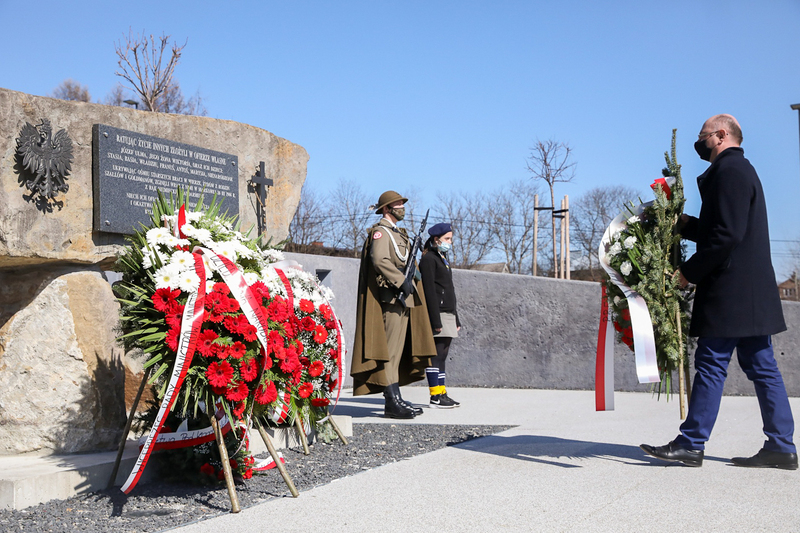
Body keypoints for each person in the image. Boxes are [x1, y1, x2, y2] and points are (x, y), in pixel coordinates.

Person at [640, 114, 797, 470]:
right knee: (762, 366)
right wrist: (682, 224)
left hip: (730, 291)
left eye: (703, 137)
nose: (700, 143)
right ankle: (781, 446)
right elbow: (720, 229)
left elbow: (726, 236)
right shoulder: (739, 171)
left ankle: (691, 443)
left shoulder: (729, 172)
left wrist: (687, 274)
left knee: (711, 363)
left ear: (722, 135)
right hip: (750, 291)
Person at [350, 190, 437, 419]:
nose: (402, 207)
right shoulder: (381, 233)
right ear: (387, 208)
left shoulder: (398, 233)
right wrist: (401, 282)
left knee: (397, 352)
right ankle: (391, 400)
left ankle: (395, 396)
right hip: (392, 297)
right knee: (389, 350)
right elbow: (379, 260)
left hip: (403, 296)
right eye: (398, 204)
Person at [419, 222, 461, 408]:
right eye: (447, 239)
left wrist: (456, 317)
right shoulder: (429, 259)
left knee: (443, 355)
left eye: (450, 239)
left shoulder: (442, 257)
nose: (449, 242)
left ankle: (442, 391)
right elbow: (429, 290)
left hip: (449, 312)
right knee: (435, 355)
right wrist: (435, 319)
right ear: (436, 240)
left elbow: (448, 289)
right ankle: (434, 395)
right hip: (439, 313)